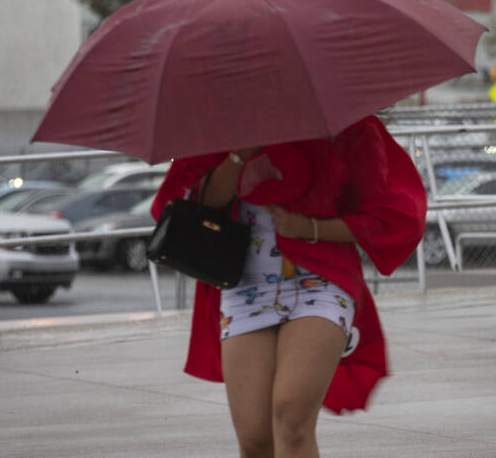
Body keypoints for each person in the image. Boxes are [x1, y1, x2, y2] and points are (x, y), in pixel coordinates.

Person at [150, 115, 426, 457]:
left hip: (321, 281)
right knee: (254, 439)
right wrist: (239, 155)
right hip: (244, 284)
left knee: (291, 417)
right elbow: (193, 203)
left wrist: (308, 228)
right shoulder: (221, 122)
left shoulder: (346, 124)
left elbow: (388, 215)